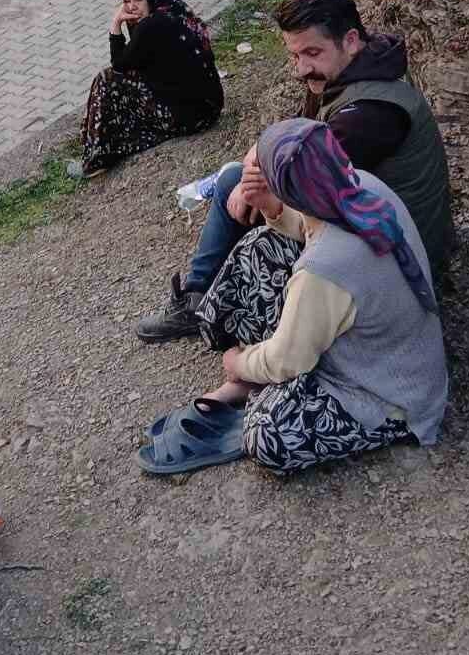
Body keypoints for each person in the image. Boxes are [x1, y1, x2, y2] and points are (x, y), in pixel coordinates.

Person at [136, 0, 452, 344]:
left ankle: (241, 322)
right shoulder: (359, 67)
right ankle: (200, 296)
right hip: (371, 215)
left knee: (250, 209)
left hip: (397, 256)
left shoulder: (369, 115)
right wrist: (254, 161)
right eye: (294, 56)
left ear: (350, 39)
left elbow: (304, 177)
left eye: (311, 53)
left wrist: (257, 191)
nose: (301, 69)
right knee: (235, 181)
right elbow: (297, 136)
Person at [138, 120, 448, 477]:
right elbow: (308, 226)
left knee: (266, 434)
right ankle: (249, 387)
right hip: (373, 340)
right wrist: (272, 209)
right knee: (260, 247)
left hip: (389, 396)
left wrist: (237, 362)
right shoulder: (357, 184)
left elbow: (290, 359)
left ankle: (249, 387)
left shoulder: (325, 267)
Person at [80, 0, 223, 176]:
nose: (131, 7)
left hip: (189, 117)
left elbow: (120, 65)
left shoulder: (152, 25)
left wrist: (115, 25)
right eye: (127, 1)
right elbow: (139, 62)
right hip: (209, 108)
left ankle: (97, 157)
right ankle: (99, 145)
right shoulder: (177, 11)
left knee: (106, 80)